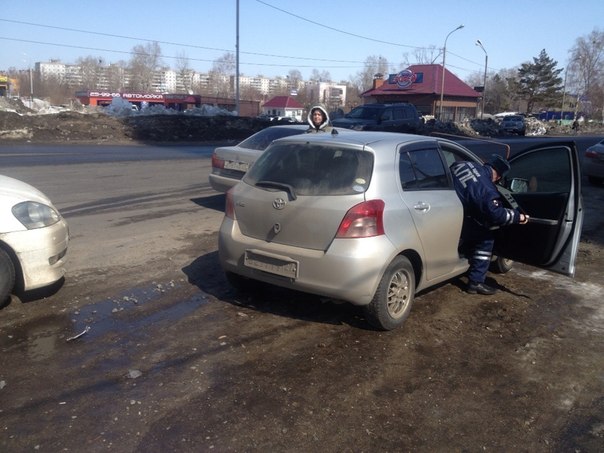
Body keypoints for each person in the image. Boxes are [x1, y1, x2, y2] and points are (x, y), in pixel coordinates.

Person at [451, 154, 529, 295]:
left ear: (487, 164)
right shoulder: (487, 189)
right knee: (486, 238)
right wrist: (518, 217)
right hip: (457, 220)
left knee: (476, 224)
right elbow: (496, 215)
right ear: (498, 177)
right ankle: (475, 282)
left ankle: (466, 254)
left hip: (448, 210)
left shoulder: (463, 164)